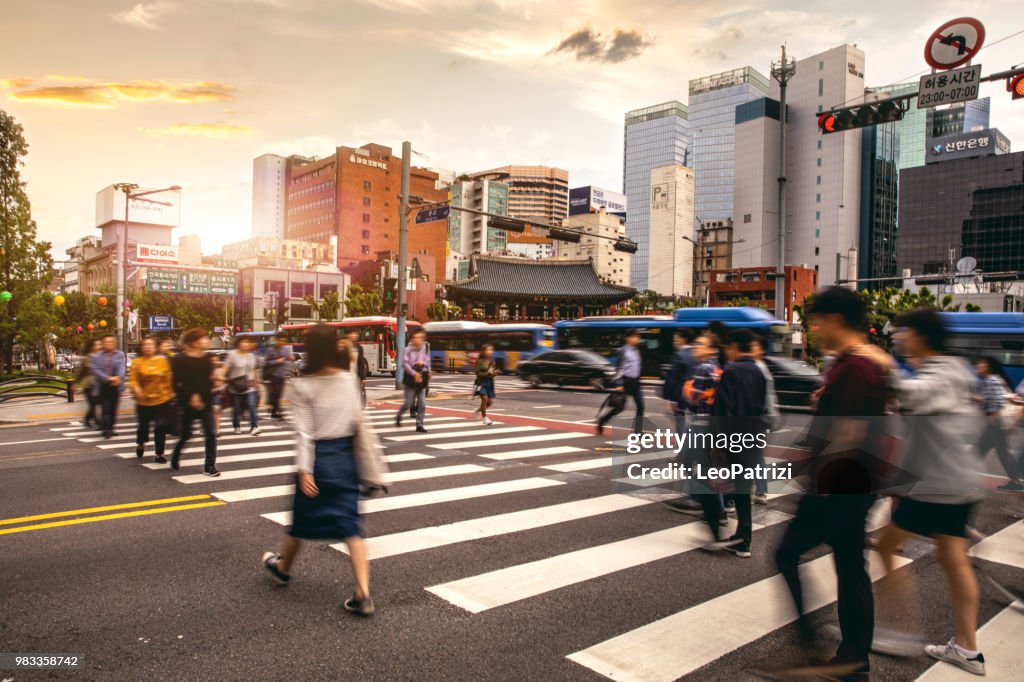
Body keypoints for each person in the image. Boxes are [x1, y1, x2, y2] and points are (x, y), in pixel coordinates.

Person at [858, 308, 987, 675]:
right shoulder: (954, 369)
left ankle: (898, 632)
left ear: (920, 335)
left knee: (884, 546)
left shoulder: (942, 371)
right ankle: (967, 648)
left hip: (937, 486)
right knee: (953, 560)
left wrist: (881, 359)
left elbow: (915, 396)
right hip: (955, 482)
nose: (897, 337)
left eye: (902, 331)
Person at [774, 286, 888, 681]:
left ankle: (815, 645)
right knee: (851, 567)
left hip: (839, 484)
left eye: (818, 322)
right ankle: (853, 661)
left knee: (787, 554)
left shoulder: (855, 367)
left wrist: (821, 479)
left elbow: (850, 431)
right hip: (860, 484)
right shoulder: (865, 363)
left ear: (837, 321)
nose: (815, 330)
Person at [261, 327, 389, 616]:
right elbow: (356, 419)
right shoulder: (348, 379)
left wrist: (305, 470)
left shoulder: (303, 384)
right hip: (345, 460)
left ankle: (282, 568)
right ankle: (363, 593)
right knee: (351, 527)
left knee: (302, 521)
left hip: (318, 460)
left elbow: (304, 433)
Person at [700, 329, 766, 558]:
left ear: (735, 346)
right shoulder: (758, 371)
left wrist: (717, 443)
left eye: (728, 347)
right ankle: (743, 540)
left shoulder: (732, 371)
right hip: (752, 437)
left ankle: (725, 529)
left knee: (724, 486)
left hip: (731, 438)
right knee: (743, 491)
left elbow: (722, 410)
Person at [663, 334, 724, 519]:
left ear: (712, 349)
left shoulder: (703, 368)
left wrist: (686, 390)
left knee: (690, 461)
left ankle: (698, 500)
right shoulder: (717, 367)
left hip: (700, 422)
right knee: (705, 465)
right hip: (711, 423)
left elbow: (693, 398)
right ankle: (714, 506)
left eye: (701, 344)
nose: (696, 347)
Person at [170, 328, 219, 477]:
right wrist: (191, 395)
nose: (207, 341)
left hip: (206, 402)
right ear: (195, 342)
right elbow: (177, 382)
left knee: (211, 433)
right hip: (187, 403)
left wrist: (214, 385)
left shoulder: (208, 359)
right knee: (186, 435)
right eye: (204, 338)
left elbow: (208, 379)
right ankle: (176, 455)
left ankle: (209, 465)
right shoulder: (179, 359)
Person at [975, 356, 1021, 492]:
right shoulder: (996, 379)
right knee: (981, 450)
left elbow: (996, 404)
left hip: (995, 424)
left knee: (999, 452)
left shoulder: (991, 380)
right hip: (996, 424)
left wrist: (992, 422)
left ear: (988, 367)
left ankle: (1016, 483)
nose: (978, 366)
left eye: (981, 364)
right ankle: (964, 476)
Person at [129, 337, 175, 463]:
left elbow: (169, 377)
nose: (148, 347)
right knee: (143, 426)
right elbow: (133, 380)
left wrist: (172, 392)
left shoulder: (163, 361)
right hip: (143, 401)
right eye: (145, 345)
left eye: (150, 345)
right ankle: (141, 443)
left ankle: (159, 454)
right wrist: (136, 388)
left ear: (155, 347)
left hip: (161, 400)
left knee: (160, 427)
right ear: (142, 348)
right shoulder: (137, 362)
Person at [596, 329, 645, 435]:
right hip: (625, 382)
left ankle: (638, 432)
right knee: (619, 407)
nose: (637, 339)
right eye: (635, 336)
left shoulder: (638, 350)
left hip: (635, 383)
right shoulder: (623, 351)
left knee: (641, 406)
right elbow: (619, 369)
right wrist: (619, 384)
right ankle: (602, 420)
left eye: (638, 337)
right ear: (627, 338)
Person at [751, 335, 780, 505]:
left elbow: (765, 397)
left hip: (758, 418)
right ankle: (760, 491)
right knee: (756, 455)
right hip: (763, 417)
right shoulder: (762, 367)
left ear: (761, 350)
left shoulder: (758, 368)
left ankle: (758, 491)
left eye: (754, 346)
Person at [225, 336, 262, 436]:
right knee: (236, 408)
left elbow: (253, 370)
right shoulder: (232, 355)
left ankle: (254, 427)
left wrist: (257, 384)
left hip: (249, 386)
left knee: (251, 406)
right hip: (236, 387)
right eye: (243, 342)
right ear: (238, 343)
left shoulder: (251, 356)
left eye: (247, 342)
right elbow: (226, 369)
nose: (245, 344)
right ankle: (236, 426)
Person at [91, 334, 126, 439]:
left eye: (111, 342)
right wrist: (108, 378)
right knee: (105, 408)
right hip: (103, 385)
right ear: (103, 344)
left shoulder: (119, 355)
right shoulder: (97, 356)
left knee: (113, 408)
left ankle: (111, 427)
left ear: (115, 343)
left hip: (115, 385)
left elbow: (121, 367)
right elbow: (96, 370)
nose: (109, 344)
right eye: (107, 342)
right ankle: (106, 429)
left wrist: (118, 377)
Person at [662, 329, 697, 434]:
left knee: (680, 423)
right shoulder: (697, 354)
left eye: (677, 338)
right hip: (695, 395)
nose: (675, 341)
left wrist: (672, 399)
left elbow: (674, 379)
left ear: (683, 339)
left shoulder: (680, 355)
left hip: (681, 396)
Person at [396, 329, 430, 433]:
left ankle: (419, 424)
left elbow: (427, 361)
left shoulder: (425, 347)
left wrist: (424, 365)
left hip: (422, 377)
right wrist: (414, 372)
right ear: (412, 339)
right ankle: (399, 415)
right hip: (411, 377)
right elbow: (404, 364)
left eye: (420, 338)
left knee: (422, 403)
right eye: (416, 338)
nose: (418, 340)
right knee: (408, 402)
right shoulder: (407, 349)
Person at [263, 333, 294, 420]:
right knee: (276, 393)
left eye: (284, 340)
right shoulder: (271, 350)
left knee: (279, 395)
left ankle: (273, 410)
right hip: (273, 375)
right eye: (281, 340)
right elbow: (266, 362)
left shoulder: (286, 349)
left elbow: (291, 359)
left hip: (282, 375)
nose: (282, 342)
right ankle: (280, 412)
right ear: (276, 340)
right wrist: (277, 361)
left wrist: (291, 358)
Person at [75, 339, 101, 429]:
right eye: (97, 345)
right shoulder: (87, 358)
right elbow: (81, 372)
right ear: (92, 347)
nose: (99, 346)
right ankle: (96, 422)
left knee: (95, 403)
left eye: (99, 345)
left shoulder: (101, 357)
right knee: (93, 404)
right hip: (89, 385)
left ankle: (87, 420)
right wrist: (76, 383)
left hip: (99, 384)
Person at [343, 330, 370, 406]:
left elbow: (361, 362)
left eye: (355, 334)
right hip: (345, 374)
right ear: (348, 335)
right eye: (352, 333)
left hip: (355, 375)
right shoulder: (343, 346)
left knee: (356, 393)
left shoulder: (359, 347)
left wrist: (363, 377)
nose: (354, 335)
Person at [474, 343, 498, 426]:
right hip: (481, 383)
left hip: (490, 383)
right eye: (488, 350)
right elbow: (477, 373)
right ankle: (485, 418)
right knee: (484, 399)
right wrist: (487, 374)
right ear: (483, 351)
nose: (490, 351)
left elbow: (493, 371)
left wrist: (495, 373)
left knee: (490, 402)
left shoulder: (492, 361)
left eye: (491, 350)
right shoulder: (480, 361)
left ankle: (479, 410)